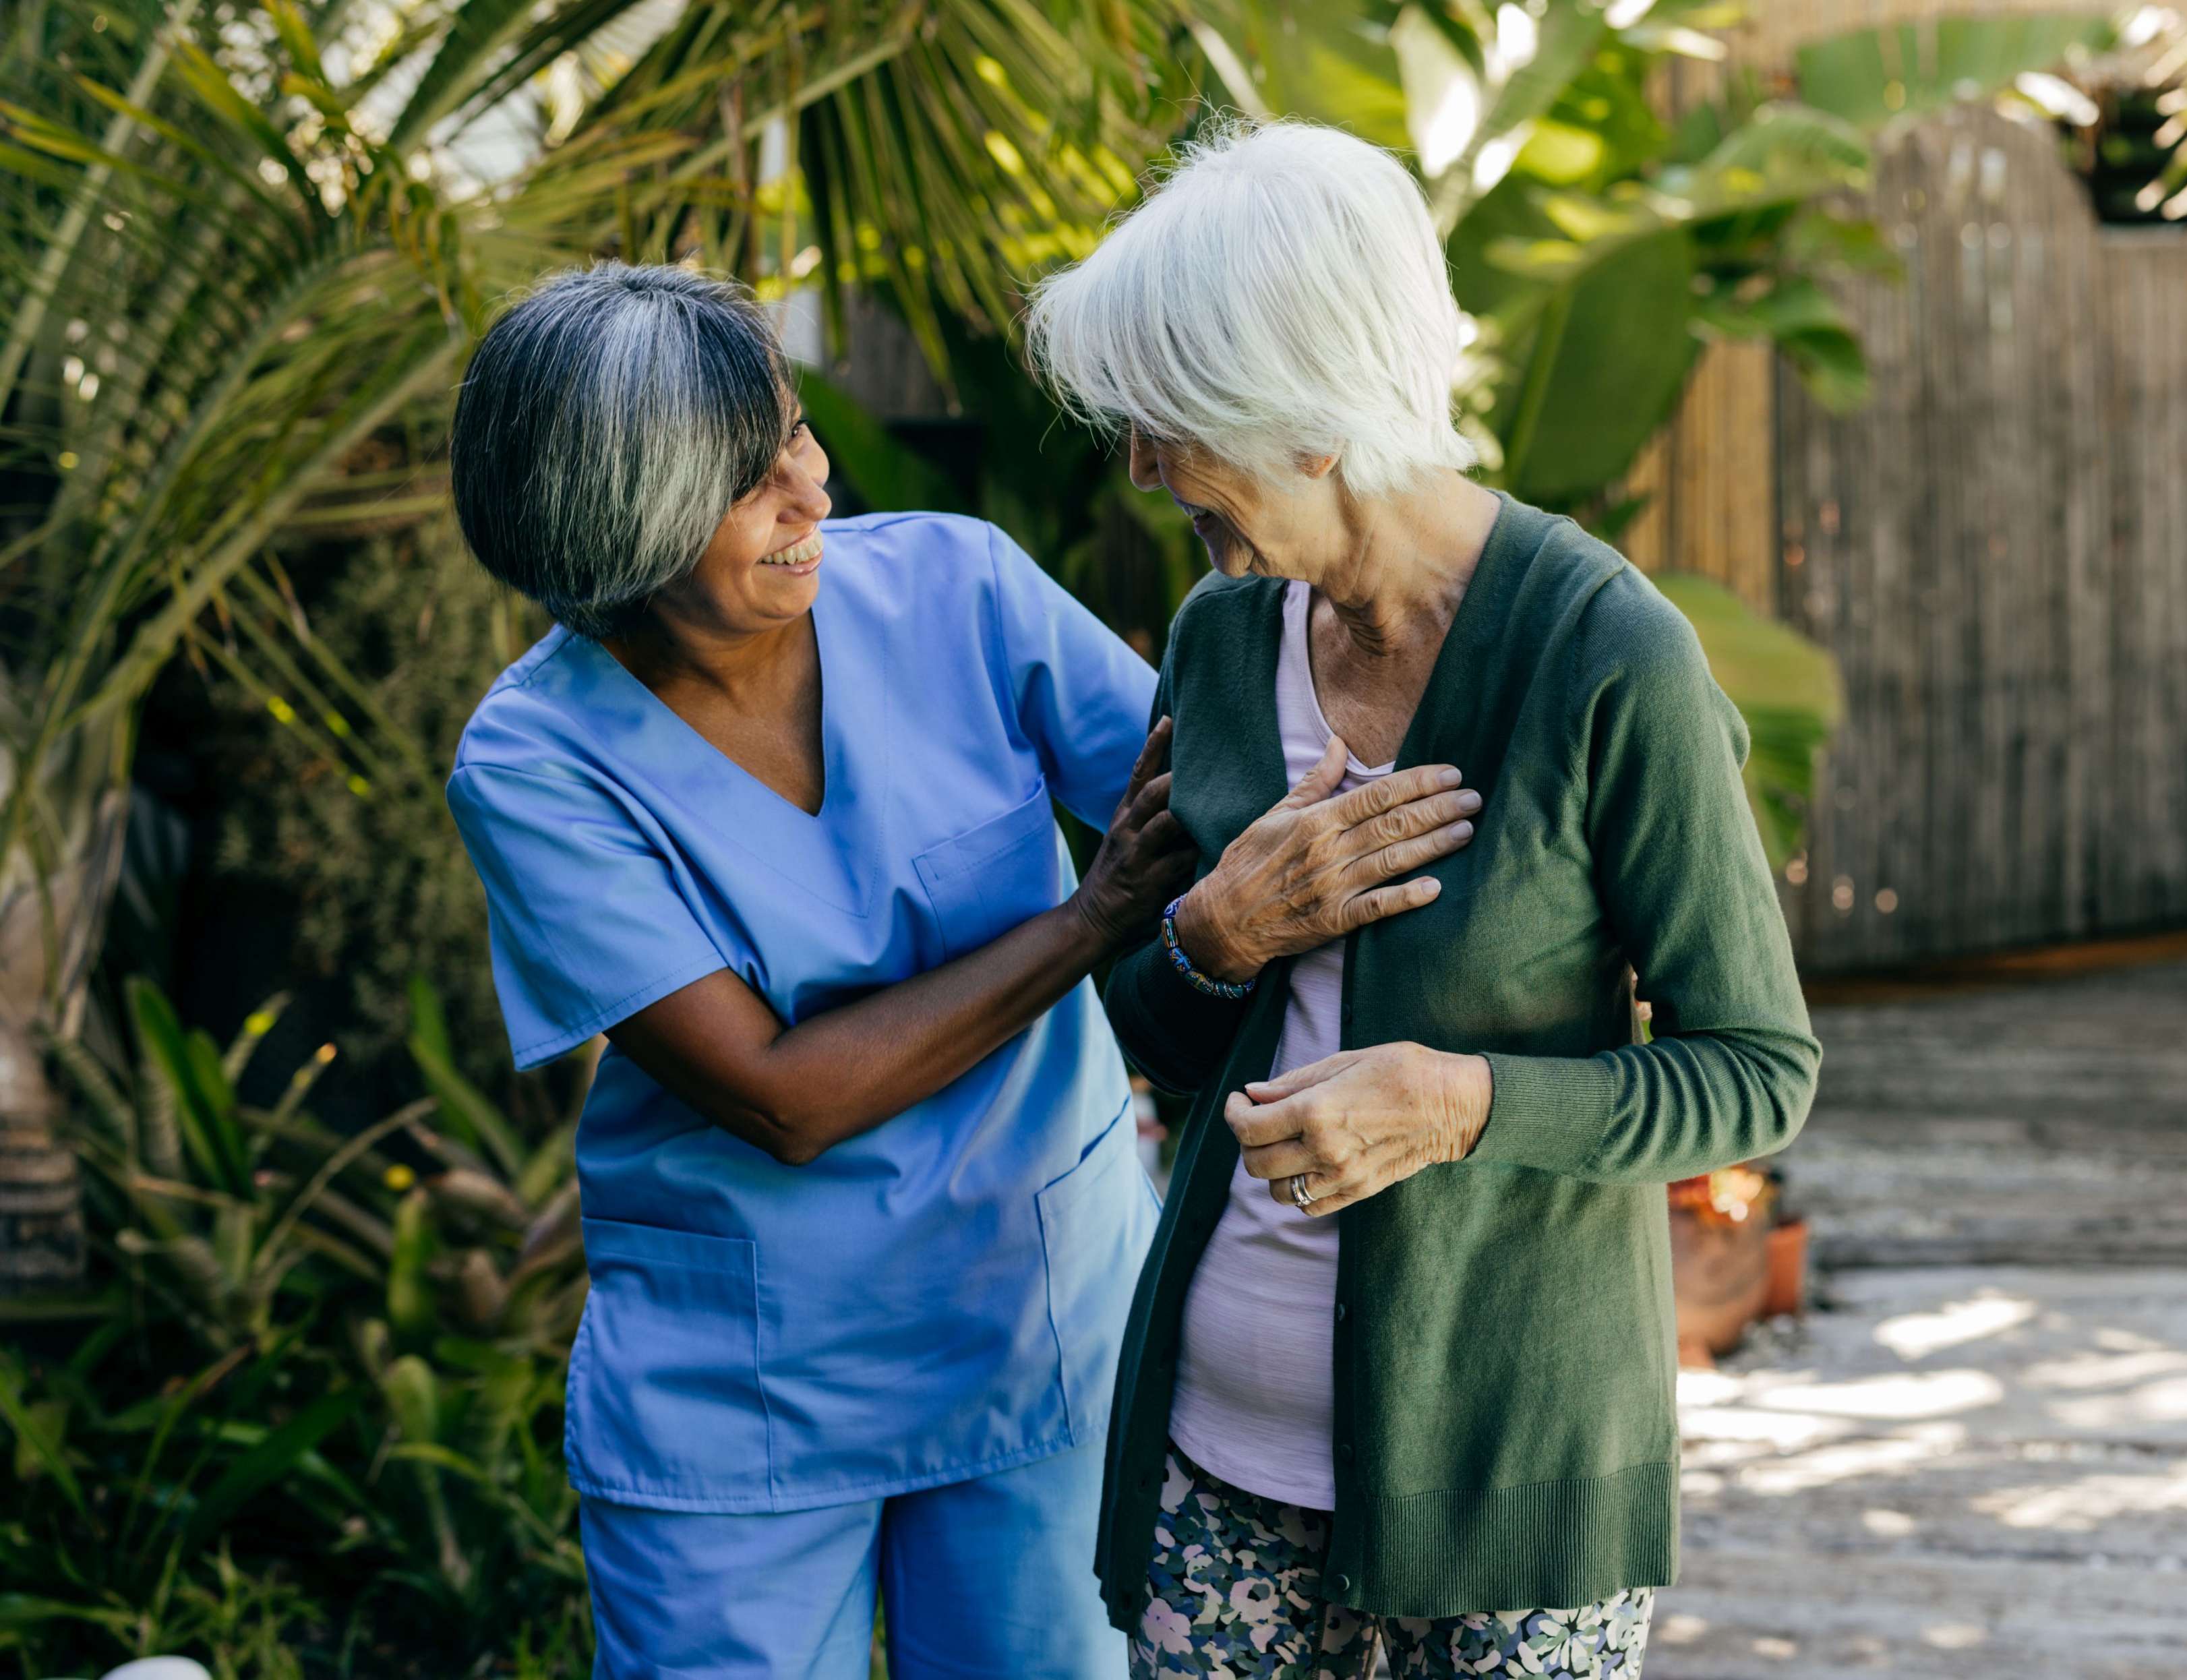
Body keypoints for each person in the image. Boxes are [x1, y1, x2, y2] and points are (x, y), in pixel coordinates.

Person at [442, 263, 1476, 1679]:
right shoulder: (537, 764)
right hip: (748, 1389)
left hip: (1035, 1327)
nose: (808, 488)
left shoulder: (955, 587)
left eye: (794, 433)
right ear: (619, 524)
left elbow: (1233, 812)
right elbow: (778, 1093)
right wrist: (1089, 916)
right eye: (746, 482)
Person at [1025, 120, 1822, 1679]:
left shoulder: (1609, 660)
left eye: (1167, 418)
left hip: (1510, 1498)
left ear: (1308, 417)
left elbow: (1756, 1074)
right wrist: (1211, 940)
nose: (1136, 462)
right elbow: (1165, 1046)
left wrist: (1458, 1102)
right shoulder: (1216, 640)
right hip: (1216, 1479)